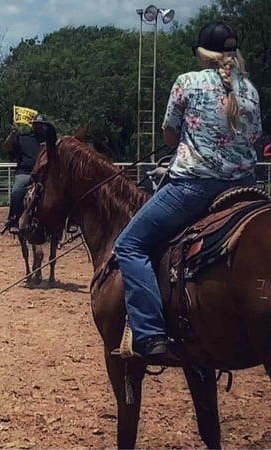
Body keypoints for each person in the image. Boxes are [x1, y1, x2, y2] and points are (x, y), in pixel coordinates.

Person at [114, 21, 262, 358]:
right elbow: (253, 139)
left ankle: (150, 333)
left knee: (129, 245)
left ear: (202, 53)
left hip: (194, 187)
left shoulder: (187, 82)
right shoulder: (251, 91)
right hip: (245, 188)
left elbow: (169, 137)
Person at [1, 114, 47, 234]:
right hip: (25, 172)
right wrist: (12, 134)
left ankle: (68, 220)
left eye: (41, 125)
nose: (39, 127)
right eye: (36, 124)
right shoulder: (22, 138)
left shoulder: (50, 140)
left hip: (46, 174)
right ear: (33, 125)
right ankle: (13, 219)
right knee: (17, 190)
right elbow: (7, 146)